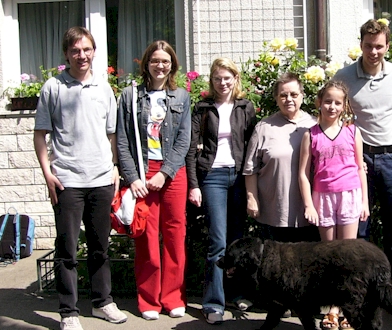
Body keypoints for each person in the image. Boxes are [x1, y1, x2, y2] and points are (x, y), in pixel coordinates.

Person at [34, 26, 127, 330]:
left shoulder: (104, 89)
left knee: (100, 247)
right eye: (75, 50)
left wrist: (114, 167)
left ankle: (103, 303)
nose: (82, 55)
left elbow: (112, 133)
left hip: (100, 179)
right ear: (66, 54)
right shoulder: (53, 88)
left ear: (94, 51)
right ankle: (68, 312)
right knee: (67, 250)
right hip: (68, 182)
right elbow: (40, 134)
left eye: (87, 49)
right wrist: (48, 173)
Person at [333, 19, 392, 289]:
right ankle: (363, 284)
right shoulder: (344, 76)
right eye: (368, 46)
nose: (373, 52)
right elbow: (333, 108)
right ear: (361, 45)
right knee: (360, 227)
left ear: (387, 47)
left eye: (379, 46)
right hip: (358, 162)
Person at [117, 40, 191, 321]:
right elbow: (122, 140)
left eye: (166, 61)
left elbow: (184, 139)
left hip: (172, 173)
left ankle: (173, 297)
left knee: (175, 235)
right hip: (142, 173)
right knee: (146, 237)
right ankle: (149, 299)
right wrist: (133, 177)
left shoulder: (181, 96)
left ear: (172, 65)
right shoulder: (130, 96)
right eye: (155, 60)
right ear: (146, 63)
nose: (160, 65)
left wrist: (165, 172)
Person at [185, 58, 257, 324]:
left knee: (238, 240)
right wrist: (194, 184)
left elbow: (252, 145)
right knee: (217, 242)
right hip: (213, 176)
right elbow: (192, 149)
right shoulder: (203, 108)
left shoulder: (245, 107)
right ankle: (213, 302)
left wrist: (253, 184)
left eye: (228, 78)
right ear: (212, 81)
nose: (223, 83)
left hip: (238, 177)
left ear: (235, 79)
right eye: (218, 78)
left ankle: (236, 293)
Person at [298, 80, 369, 329]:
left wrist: (365, 202)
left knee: (347, 256)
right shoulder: (311, 134)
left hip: (350, 195)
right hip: (323, 199)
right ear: (319, 102)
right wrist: (309, 204)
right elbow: (304, 173)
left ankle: (350, 308)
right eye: (327, 101)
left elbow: (360, 168)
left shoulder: (352, 131)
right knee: (329, 256)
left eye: (337, 102)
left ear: (344, 106)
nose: (332, 106)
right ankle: (332, 310)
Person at [244, 72, 320, 243]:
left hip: (309, 213)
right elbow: (250, 168)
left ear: (302, 96)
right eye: (283, 95)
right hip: (274, 212)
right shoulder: (263, 127)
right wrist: (252, 198)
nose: (289, 99)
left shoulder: (315, 126)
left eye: (294, 94)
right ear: (276, 98)